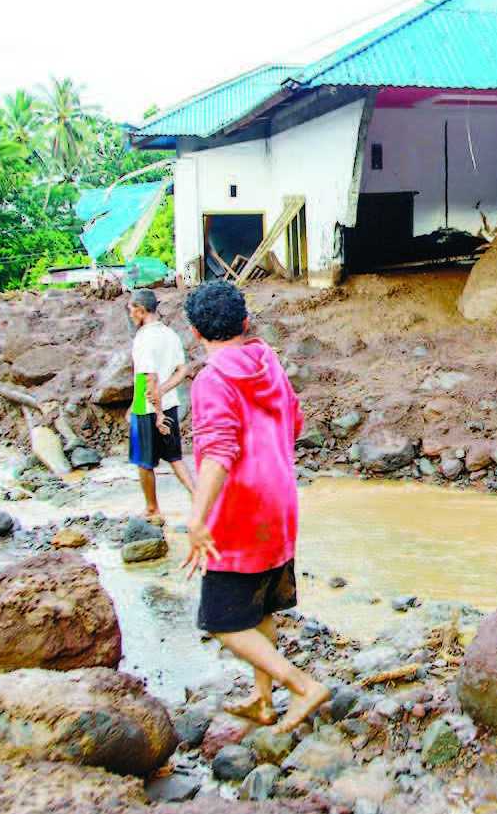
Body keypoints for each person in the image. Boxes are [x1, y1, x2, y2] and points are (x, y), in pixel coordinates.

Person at [180, 280, 329, 733]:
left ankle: (302, 686)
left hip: (241, 513)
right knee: (258, 609)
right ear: (246, 323)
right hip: (281, 505)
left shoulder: (212, 380)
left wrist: (197, 518)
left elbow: (219, 452)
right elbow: (296, 420)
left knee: (222, 621)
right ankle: (262, 701)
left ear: (195, 333)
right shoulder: (269, 361)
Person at [128, 289, 195, 521]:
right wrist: (164, 392)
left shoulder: (143, 338)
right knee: (175, 457)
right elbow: (182, 370)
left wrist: (156, 412)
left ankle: (152, 509)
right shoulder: (170, 334)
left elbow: (149, 378)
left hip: (147, 409)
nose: (130, 315)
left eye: (131, 310)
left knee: (144, 462)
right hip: (170, 404)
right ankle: (198, 497)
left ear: (140, 310)